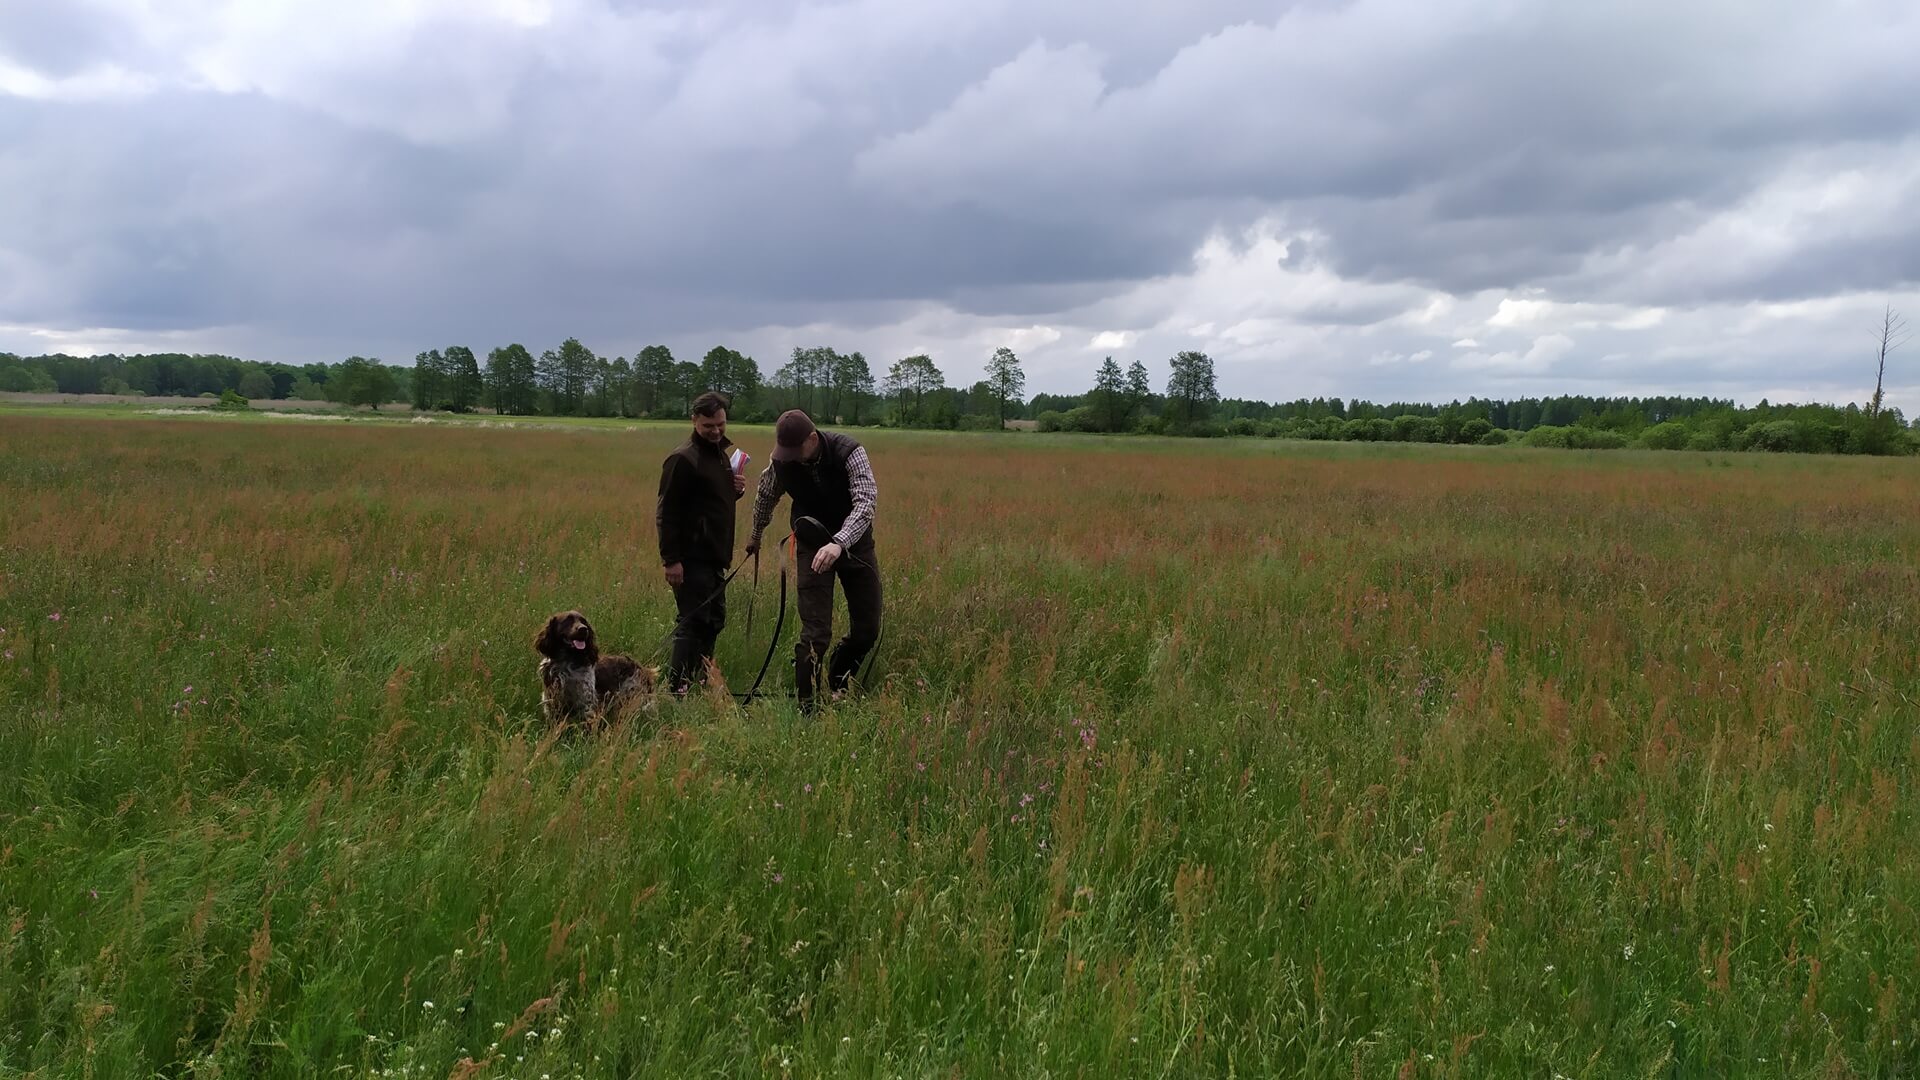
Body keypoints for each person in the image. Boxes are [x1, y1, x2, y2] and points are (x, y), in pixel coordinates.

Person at [744, 409, 881, 712]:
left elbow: (866, 502)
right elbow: (766, 495)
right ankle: (807, 706)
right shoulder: (782, 461)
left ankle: (838, 681)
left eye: (795, 450)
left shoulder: (850, 452)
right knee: (815, 633)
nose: (790, 457)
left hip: (855, 545)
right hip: (810, 543)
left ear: (812, 437)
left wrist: (839, 543)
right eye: (785, 451)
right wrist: (756, 535)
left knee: (867, 630)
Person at [657, 391, 747, 694]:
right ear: (694, 420)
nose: (716, 430)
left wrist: (735, 490)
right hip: (691, 557)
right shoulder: (682, 459)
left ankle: (698, 680)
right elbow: (667, 513)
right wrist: (671, 560)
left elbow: (710, 503)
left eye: (720, 424)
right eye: (709, 425)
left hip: (714, 558)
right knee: (692, 622)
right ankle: (677, 689)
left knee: (713, 620)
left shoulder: (719, 455)